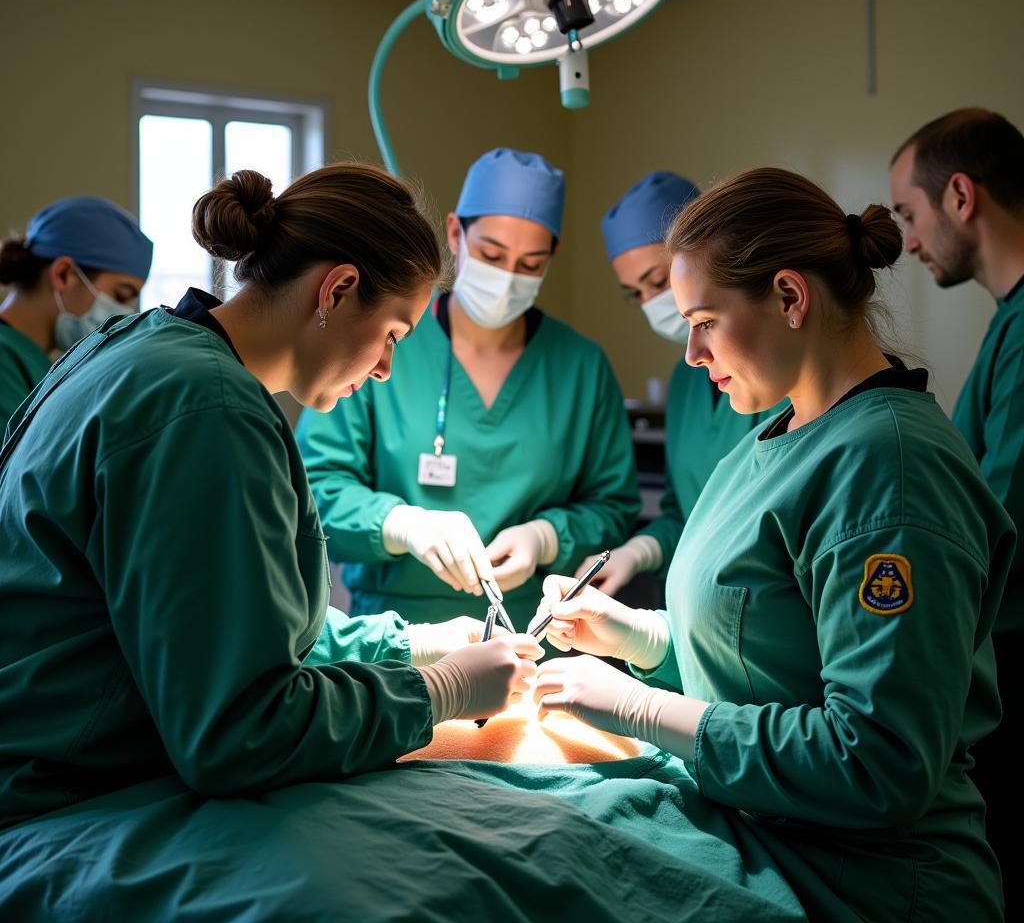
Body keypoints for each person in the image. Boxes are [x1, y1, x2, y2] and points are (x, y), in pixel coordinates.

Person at [528, 167, 1011, 921]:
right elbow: (773, 652)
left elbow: (877, 760)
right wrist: (640, 638)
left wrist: (643, 710)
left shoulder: (891, 469)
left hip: (870, 881)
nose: (690, 353)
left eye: (705, 320)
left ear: (790, 297)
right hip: (766, 833)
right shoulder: (771, 439)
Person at [0, 163, 542, 835]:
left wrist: (411, 644)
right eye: (393, 337)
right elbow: (239, 736)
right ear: (338, 290)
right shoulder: (206, 409)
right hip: (56, 802)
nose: (384, 370)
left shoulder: (138, 348)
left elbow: (231, 626)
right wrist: (440, 693)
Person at [297, 148, 640, 628]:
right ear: (456, 233)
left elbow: (612, 504)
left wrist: (547, 536)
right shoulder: (380, 342)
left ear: (551, 258)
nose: (506, 279)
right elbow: (315, 486)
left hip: (530, 635)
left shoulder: (580, 366)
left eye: (529, 264)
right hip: (394, 638)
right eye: (492, 255)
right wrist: (400, 525)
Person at [890, 107, 1024, 910]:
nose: (906, 241)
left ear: (961, 196)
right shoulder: (1008, 324)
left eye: (909, 213)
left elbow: (1001, 510)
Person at [585, 171, 782, 597]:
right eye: (635, 293)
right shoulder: (685, 380)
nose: (652, 304)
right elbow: (686, 514)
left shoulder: (779, 376)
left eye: (658, 282)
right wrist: (636, 552)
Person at [0, 197, 153, 423]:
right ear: (64, 274)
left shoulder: (32, 364)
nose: (125, 315)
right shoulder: (5, 364)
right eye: (120, 295)